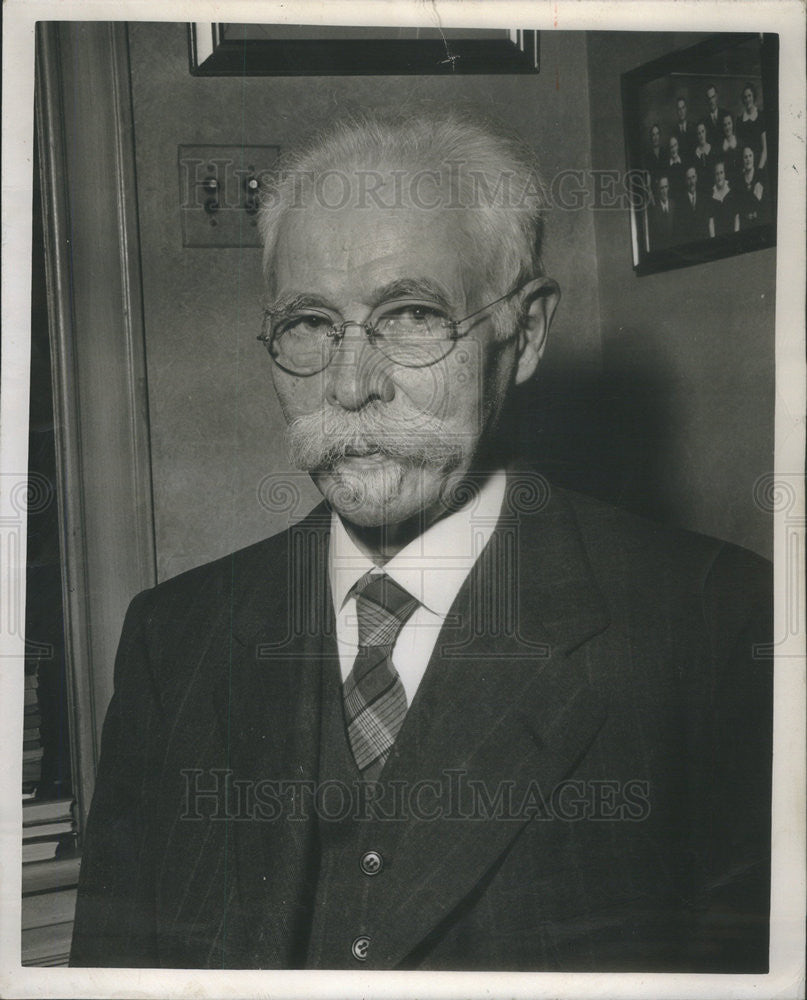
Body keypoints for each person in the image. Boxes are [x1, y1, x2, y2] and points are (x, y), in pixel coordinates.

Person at [69, 108, 772, 973]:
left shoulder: (711, 621)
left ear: (527, 333)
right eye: (309, 325)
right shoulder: (172, 638)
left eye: (409, 316)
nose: (350, 384)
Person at [735, 82, 768, 173]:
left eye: (749, 96)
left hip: (760, 165)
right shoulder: (740, 121)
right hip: (745, 167)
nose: (748, 99)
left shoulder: (761, 117)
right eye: (745, 97)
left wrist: (759, 170)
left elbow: (765, 148)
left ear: (753, 97)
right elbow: (739, 149)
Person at [737, 145, 771, 229]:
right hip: (745, 225)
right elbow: (740, 206)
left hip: (760, 222)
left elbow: (764, 204)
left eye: (750, 156)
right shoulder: (740, 180)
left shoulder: (760, 177)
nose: (748, 159)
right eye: (745, 157)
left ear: (753, 157)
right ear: (742, 160)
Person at [678, 165, 710, 242]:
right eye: (689, 179)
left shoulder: (704, 198)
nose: (692, 182)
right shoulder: (680, 203)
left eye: (693, 177)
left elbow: (706, 225)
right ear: (685, 181)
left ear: (697, 178)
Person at [709, 159, 740, 236]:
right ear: (714, 176)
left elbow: (736, 216)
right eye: (717, 174)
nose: (719, 177)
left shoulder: (731, 190)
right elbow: (711, 221)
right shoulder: (711, 195)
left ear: (725, 174)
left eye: (721, 173)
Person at [648, 174, 677, 249]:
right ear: (658, 190)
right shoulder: (654, 210)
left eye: (666, 187)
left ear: (669, 187)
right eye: (661, 188)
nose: (664, 191)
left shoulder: (674, 205)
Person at [704, 83, 730, 148]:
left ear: (717, 96)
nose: (711, 101)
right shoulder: (704, 121)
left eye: (713, 97)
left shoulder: (726, 115)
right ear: (707, 100)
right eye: (709, 98)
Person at [720, 112, 742, 184]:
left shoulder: (740, 144)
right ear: (722, 128)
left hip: (739, 182)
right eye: (725, 125)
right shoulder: (720, 147)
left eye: (729, 123)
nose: (727, 127)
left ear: (733, 124)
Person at [692, 120, 714, 193]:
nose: (701, 135)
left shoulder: (713, 150)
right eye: (699, 133)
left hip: (713, 188)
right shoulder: (695, 154)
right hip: (700, 191)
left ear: (706, 132)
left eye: (702, 131)